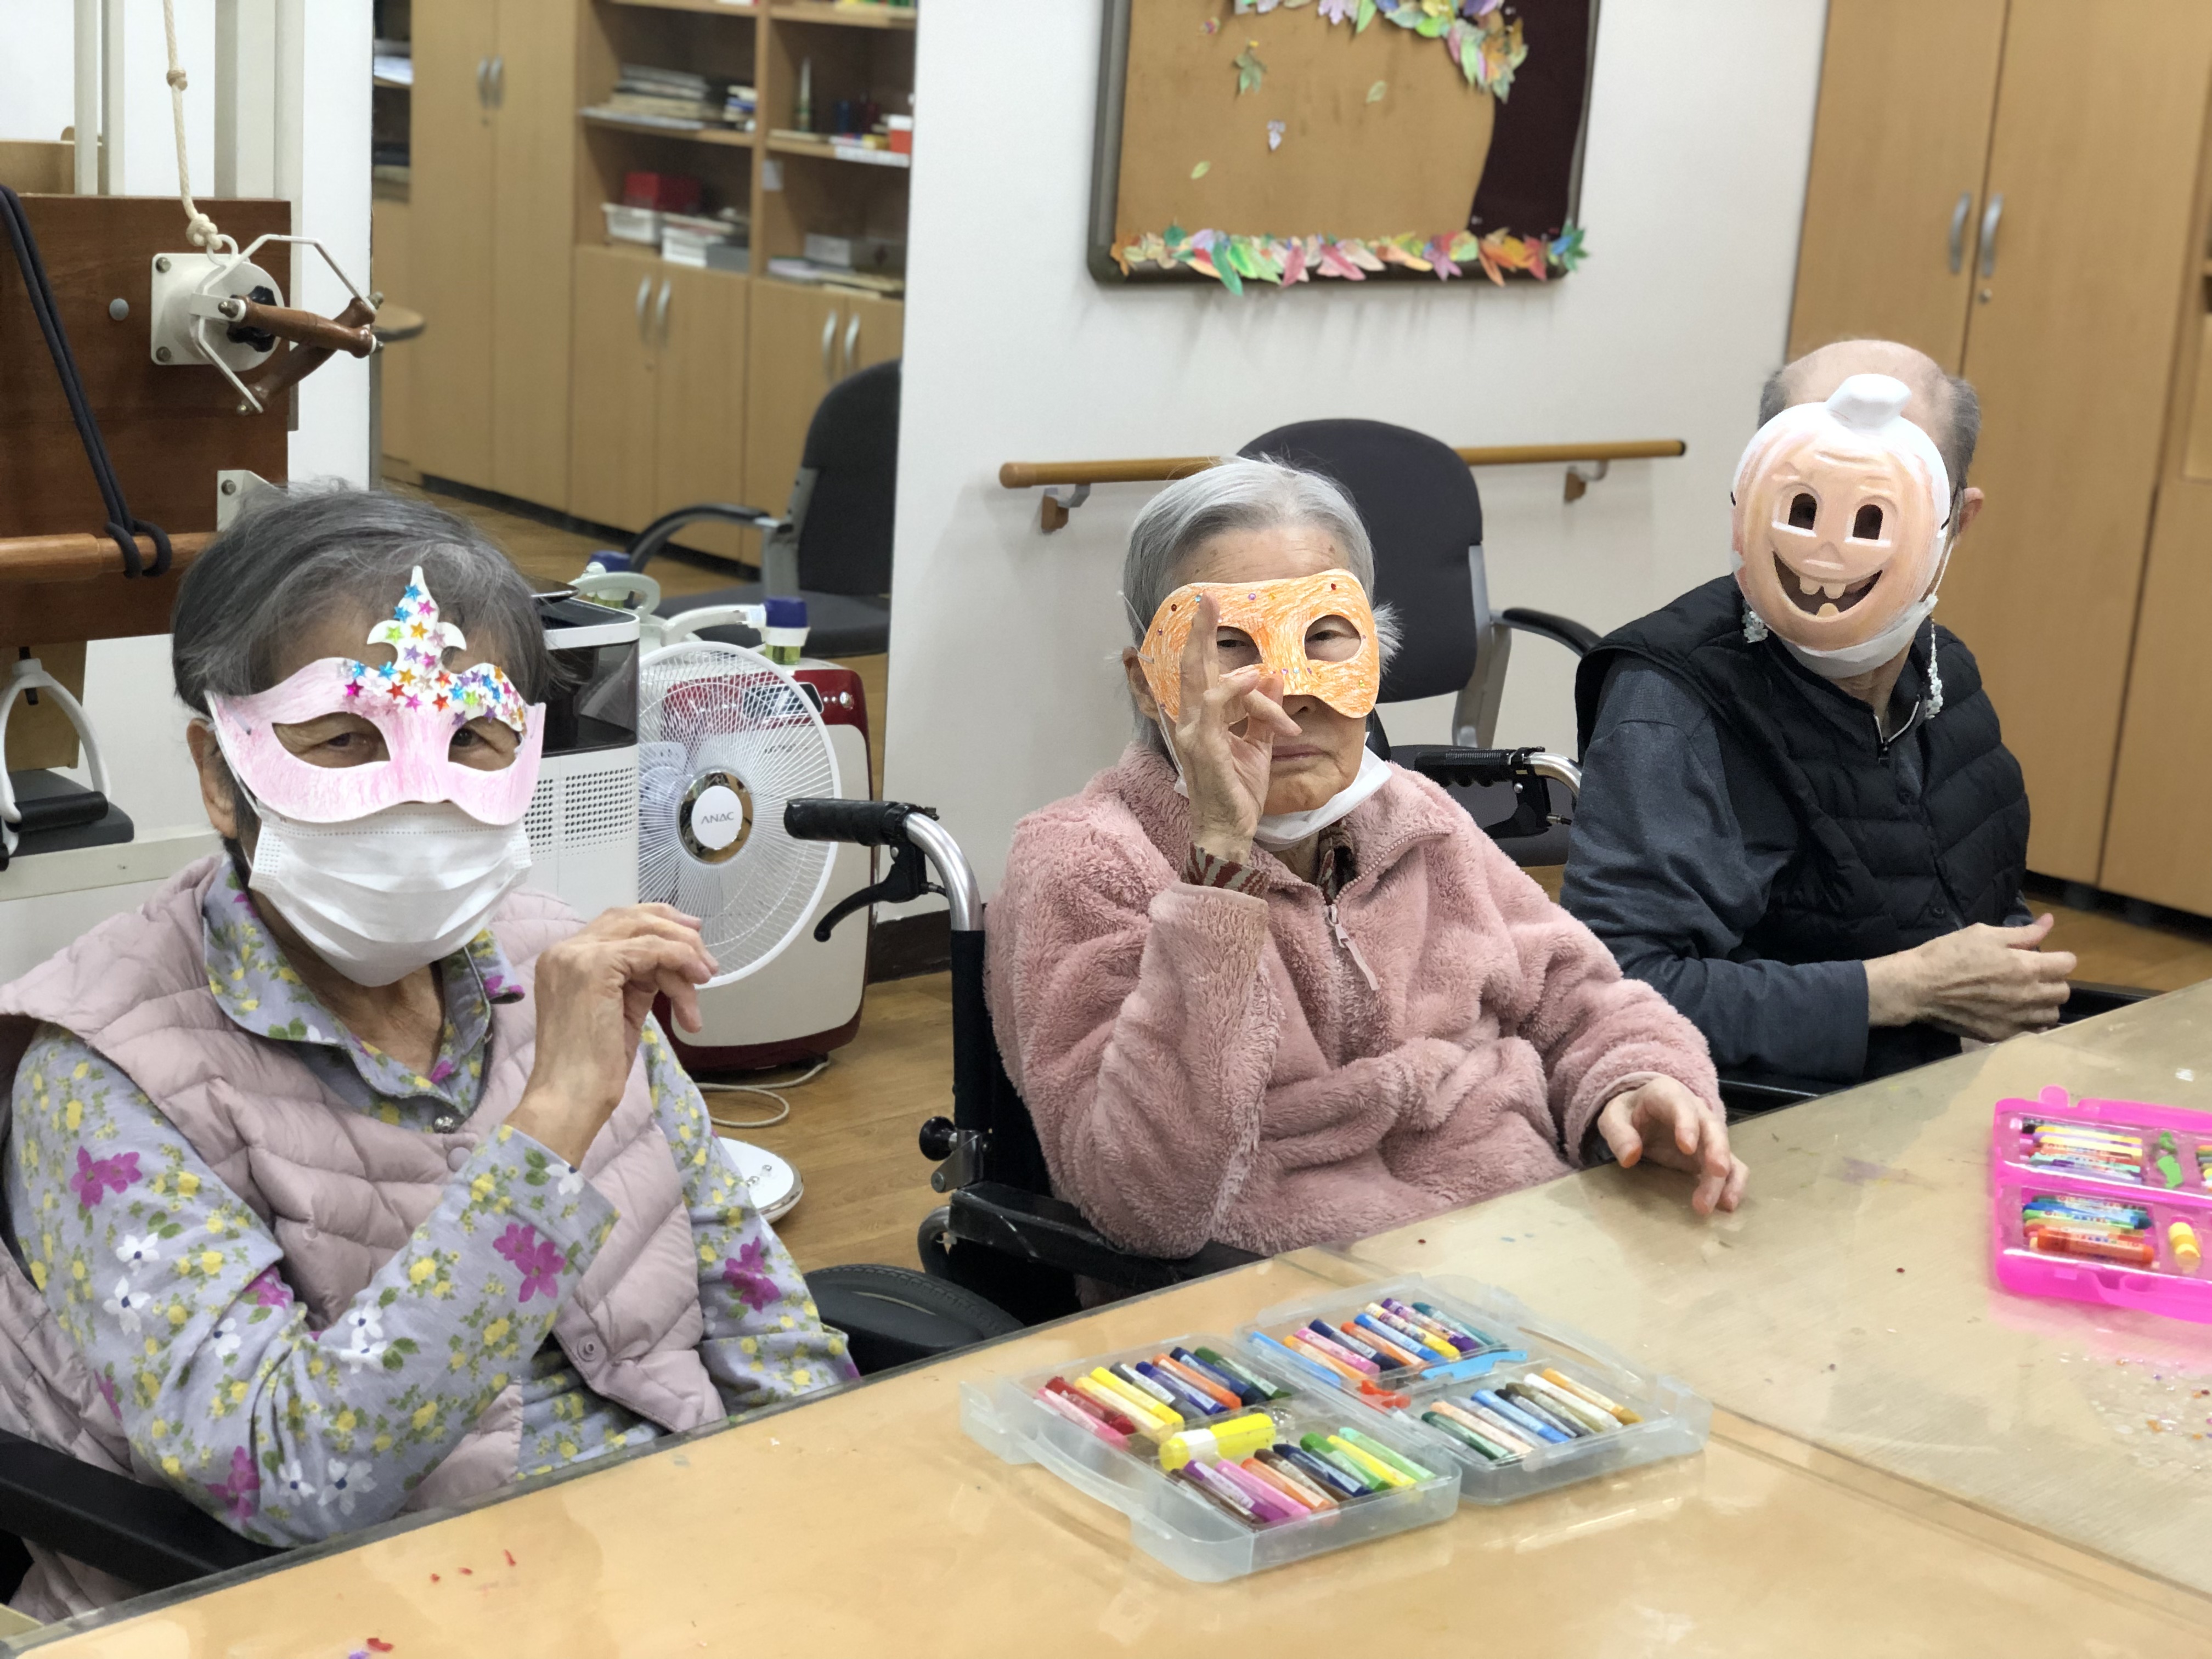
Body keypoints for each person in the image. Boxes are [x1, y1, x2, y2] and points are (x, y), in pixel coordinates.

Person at [0, 489, 854, 1619]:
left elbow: (765, 1325)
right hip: (359, 1607)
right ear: (220, 775)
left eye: (472, 740)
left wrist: (830, 1525)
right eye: (345, 739)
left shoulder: (557, 962)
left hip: (678, 1556)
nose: (418, 795)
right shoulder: (102, 1079)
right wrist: (550, 1127)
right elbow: (290, 1479)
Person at [985, 458, 1745, 1265]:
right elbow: (1144, 1203)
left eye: (1323, 637)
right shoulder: (1084, 863)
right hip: (1296, 1292)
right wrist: (1219, 867)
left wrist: (1639, 1083)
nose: (1289, 694)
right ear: (1150, 684)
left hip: (1530, 1237)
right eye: (1233, 648)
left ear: (1374, 651)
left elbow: (1581, 999)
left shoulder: (1416, 819)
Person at [1563, 341, 2070, 1087]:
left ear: (1957, 521)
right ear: (1751, 494)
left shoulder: (1945, 668)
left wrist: (2008, 976)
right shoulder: (1672, 706)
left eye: (1878, 509)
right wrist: (1898, 990)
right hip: (1779, 1116)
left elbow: (1972, 890)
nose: (1832, 546)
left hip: (1948, 1090)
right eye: (1805, 502)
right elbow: (1614, 988)